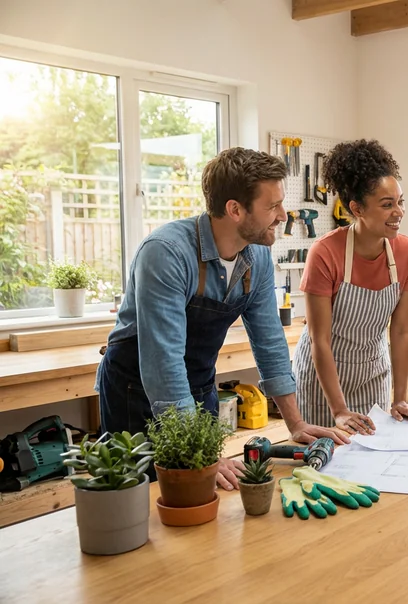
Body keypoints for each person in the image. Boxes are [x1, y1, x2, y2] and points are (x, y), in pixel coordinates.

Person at [97, 147, 349, 491]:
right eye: (272, 205)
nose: (282, 215)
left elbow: (270, 341)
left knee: (206, 495)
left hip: (198, 383)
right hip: (137, 390)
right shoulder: (166, 253)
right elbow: (163, 361)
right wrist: (198, 451)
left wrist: (296, 424)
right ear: (234, 209)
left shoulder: (256, 256)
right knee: (144, 503)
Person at [294, 139, 408, 435]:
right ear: (357, 208)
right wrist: (338, 409)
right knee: (327, 464)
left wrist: (401, 398)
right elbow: (320, 339)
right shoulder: (325, 253)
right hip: (324, 382)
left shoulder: (407, 252)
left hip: (372, 375)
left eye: (401, 201)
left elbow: (402, 330)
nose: (399, 212)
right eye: (387, 205)